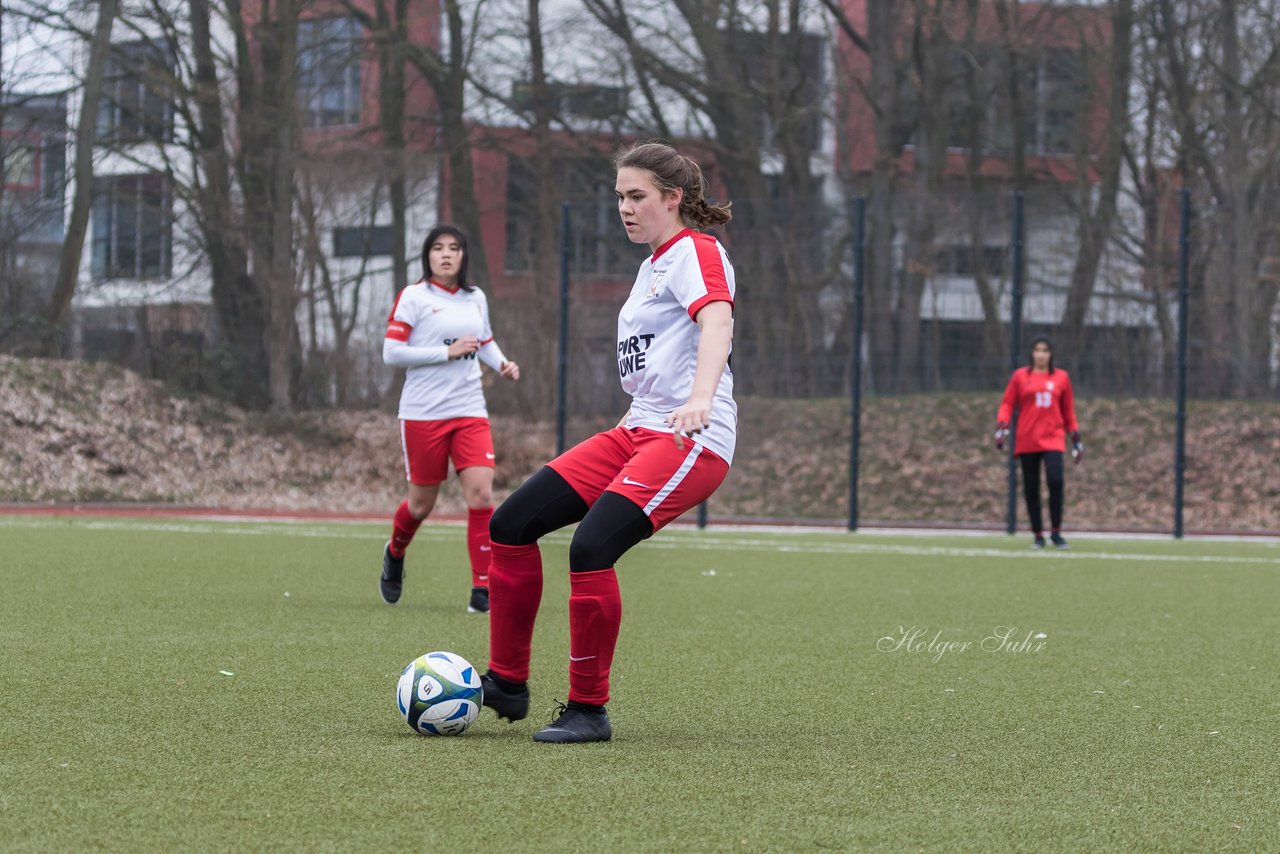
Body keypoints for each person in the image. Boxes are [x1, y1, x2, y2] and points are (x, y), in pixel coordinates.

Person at [478, 141, 737, 743]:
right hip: (636, 429)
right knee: (512, 524)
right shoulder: (651, 267)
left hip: (692, 435)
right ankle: (507, 684)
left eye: (637, 196)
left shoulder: (696, 250)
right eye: (619, 196)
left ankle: (588, 709)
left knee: (590, 548)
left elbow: (717, 320)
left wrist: (700, 398)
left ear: (673, 199)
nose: (624, 207)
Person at [379, 224, 520, 613]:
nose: (446, 254)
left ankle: (482, 587)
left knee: (481, 494)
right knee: (421, 505)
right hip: (423, 413)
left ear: (463, 255)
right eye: (438, 248)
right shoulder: (413, 297)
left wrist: (502, 363)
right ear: (427, 255)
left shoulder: (476, 297)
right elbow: (392, 353)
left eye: (454, 248)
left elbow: (485, 340)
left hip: (469, 409)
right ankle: (395, 552)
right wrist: (446, 352)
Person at [994, 335, 1083, 550]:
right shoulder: (1021, 377)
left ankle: (1056, 532)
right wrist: (1002, 426)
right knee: (1031, 488)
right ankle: (1037, 534)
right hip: (1027, 439)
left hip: (1053, 439)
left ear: (1051, 354)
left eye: (1045, 350)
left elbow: (1068, 410)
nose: (1041, 354)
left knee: (1055, 481)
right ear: (1032, 354)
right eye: (1037, 350)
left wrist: (1075, 437)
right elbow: (1007, 403)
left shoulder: (1061, 378)